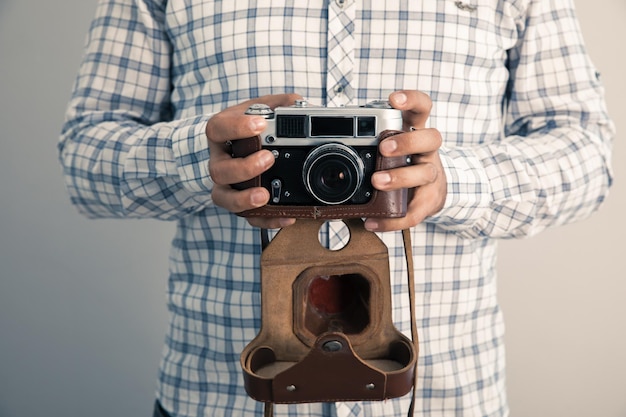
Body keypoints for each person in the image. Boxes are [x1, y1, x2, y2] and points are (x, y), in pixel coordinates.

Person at [58, 0, 614, 416]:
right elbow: (83, 161)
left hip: (443, 395)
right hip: (219, 396)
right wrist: (198, 159)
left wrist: (450, 181)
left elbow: (588, 155)